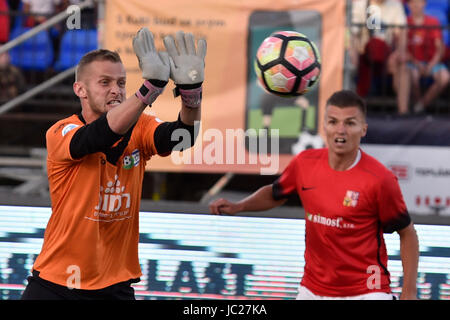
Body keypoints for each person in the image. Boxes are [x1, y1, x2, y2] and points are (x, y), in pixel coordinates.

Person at [21, 28, 207, 299]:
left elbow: (182, 137)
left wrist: (191, 94)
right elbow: (100, 135)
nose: (116, 91)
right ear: (80, 89)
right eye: (105, 82)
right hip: (55, 284)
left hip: (114, 286)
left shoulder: (141, 126)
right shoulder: (61, 131)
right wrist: (148, 90)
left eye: (121, 83)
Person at [210, 90, 419, 300]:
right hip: (312, 290)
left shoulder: (379, 179)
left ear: (363, 129)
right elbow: (275, 194)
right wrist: (239, 206)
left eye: (350, 123)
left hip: (366, 292)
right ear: (324, 126)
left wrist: (408, 292)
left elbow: (407, 233)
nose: (341, 130)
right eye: (333, 121)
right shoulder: (304, 164)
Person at [350, 0, 411, 114]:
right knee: (351, 62)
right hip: (364, 55)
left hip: (387, 55)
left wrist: (397, 53)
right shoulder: (360, 4)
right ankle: (354, 113)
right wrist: (353, 53)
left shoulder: (395, 5)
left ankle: (403, 112)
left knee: (404, 68)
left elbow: (402, 33)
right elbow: (353, 34)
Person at [406, 0, 450, 113]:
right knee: (412, 77)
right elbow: (404, 50)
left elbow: (440, 48)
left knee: (445, 77)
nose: (416, 5)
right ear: (408, 5)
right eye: (412, 2)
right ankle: (417, 106)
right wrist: (418, 64)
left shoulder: (433, 21)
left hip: (432, 62)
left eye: (418, 2)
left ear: (424, 4)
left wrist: (431, 65)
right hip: (413, 63)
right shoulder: (405, 22)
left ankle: (420, 106)